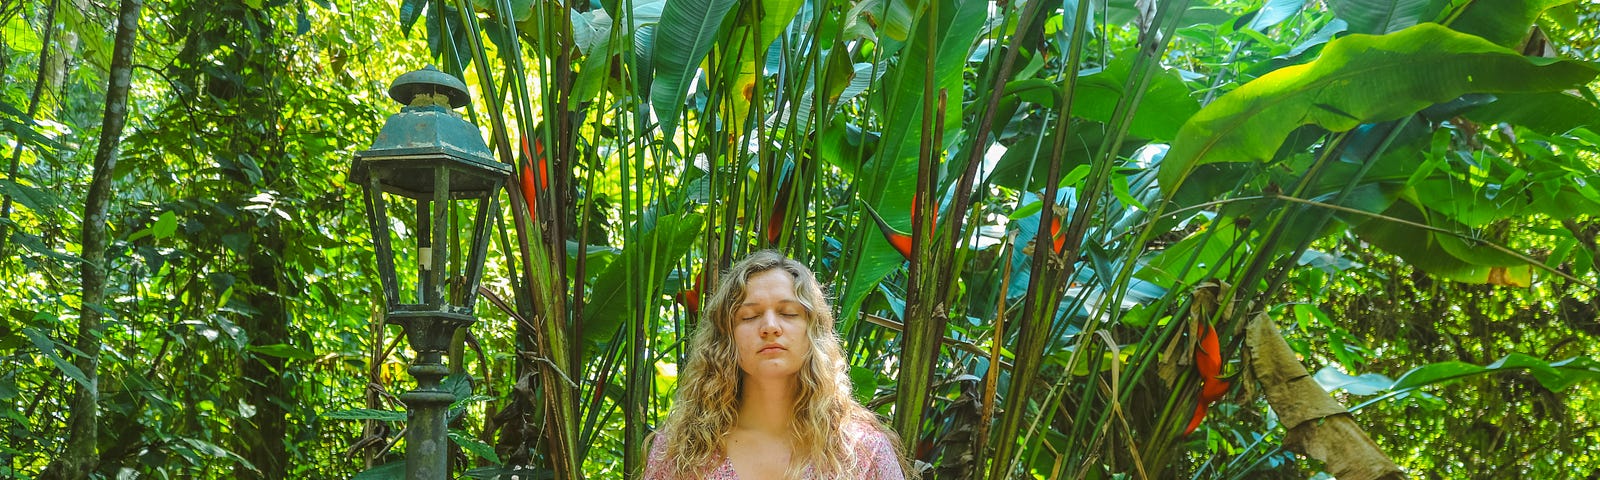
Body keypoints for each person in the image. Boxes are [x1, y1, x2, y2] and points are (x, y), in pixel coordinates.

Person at [643, 250, 914, 480]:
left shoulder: (863, 450)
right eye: (749, 316)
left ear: (813, 332)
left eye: (788, 313)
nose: (770, 327)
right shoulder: (681, 451)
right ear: (724, 337)